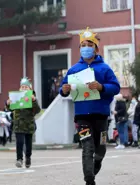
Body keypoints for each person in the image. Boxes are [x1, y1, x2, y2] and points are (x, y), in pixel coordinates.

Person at [59, 27, 120, 185]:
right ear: (80, 48)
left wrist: (101, 87)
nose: (86, 48)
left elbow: (115, 87)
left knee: (101, 147)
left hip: (101, 116)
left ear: (96, 48)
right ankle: (89, 180)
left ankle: (97, 162)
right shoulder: (73, 70)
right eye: (83, 45)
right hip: (82, 116)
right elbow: (63, 89)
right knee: (87, 147)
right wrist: (64, 90)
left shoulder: (104, 68)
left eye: (89, 44)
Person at [7, 78, 41, 168]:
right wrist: (8, 103)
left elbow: (37, 110)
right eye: (22, 87)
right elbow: (10, 108)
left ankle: (28, 157)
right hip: (18, 124)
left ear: (30, 89)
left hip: (29, 125)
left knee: (28, 144)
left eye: (26, 87)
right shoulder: (16, 97)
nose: (24, 88)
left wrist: (33, 100)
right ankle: (19, 159)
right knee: (19, 142)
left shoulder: (32, 98)